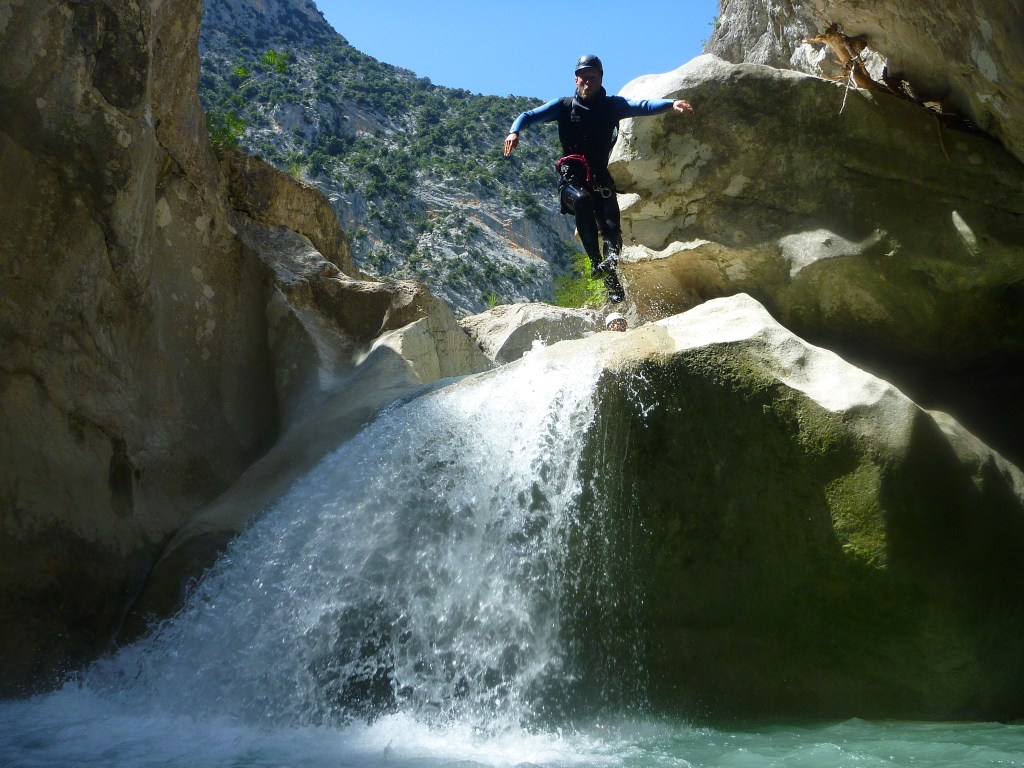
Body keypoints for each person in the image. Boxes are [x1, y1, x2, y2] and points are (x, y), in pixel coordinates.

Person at [504, 54, 693, 303]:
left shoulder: (612, 105)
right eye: (583, 77)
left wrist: (671, 103)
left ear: (601, 78)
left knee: (612, 229)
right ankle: (596, 263)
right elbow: (529, 115)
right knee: (582, 200)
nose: (587, 82)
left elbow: (643, 106)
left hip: (601, 179)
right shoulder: (563, 106)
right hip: (572, 180)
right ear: (575, 80)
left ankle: (610, 269)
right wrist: (514, 131)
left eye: (592, 77)